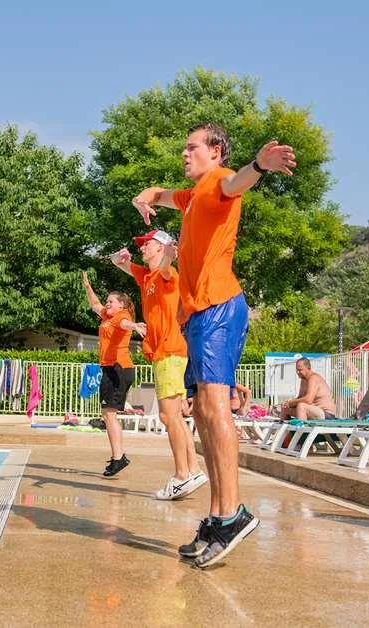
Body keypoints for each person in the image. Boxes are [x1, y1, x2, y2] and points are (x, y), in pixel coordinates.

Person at [132, 123, 296, 568]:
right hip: (200, 314)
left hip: (222, 307)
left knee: (215, 406)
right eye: (183, 146)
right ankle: (217, 515)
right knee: (202, 410)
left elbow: (239, 179)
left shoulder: (219, 184)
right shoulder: (189, 197)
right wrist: (146, 195)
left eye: (192, 147)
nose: (184, 153)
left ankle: (232, 513)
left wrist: (261, 164)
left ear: (216, 150)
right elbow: (161, 193)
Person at [110, 230, 207, 499]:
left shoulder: (168, 274)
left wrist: (169, 256)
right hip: (167, 352)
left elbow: (167, 267)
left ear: (161, 248)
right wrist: (119, 260)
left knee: (167, 416)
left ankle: (181, 475)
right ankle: (194, 469)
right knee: (174, 416)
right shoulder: (146, 277)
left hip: (170, 351)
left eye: (147, 245)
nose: (142, 248)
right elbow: (120, 264)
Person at [81, 272, 141, 477]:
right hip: (111, 368)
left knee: (109, 414)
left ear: (121, 305)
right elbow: (95, 304)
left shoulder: (122, 317)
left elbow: (126, 325)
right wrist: (88, 287)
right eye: (107, 301)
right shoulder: (108, 316)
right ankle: (118, 457)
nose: (107, 304)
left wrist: (135, 326)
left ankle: (119, 458)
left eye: (111, 301)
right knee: (107, 414)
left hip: (119, 368)